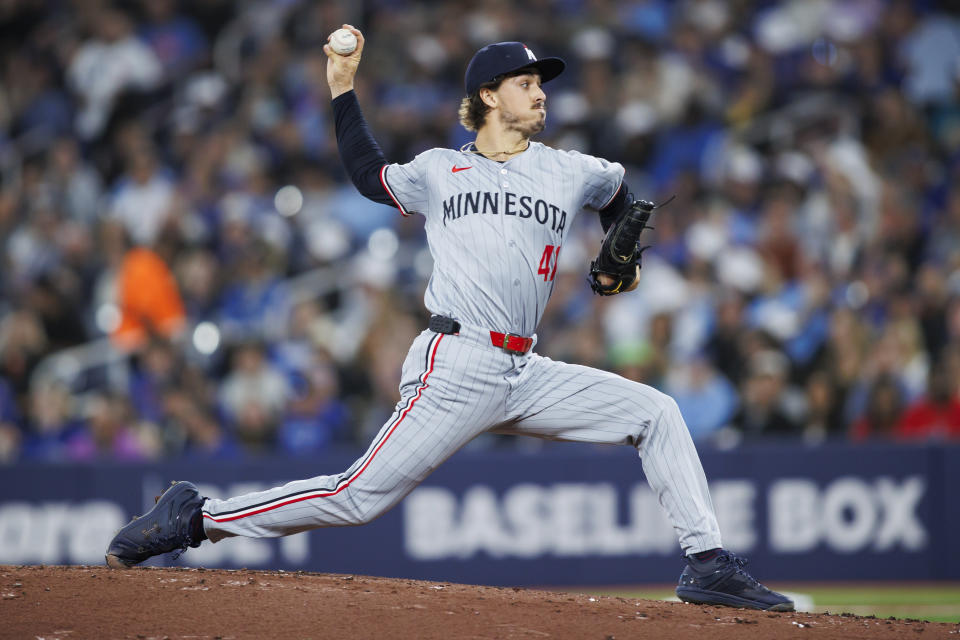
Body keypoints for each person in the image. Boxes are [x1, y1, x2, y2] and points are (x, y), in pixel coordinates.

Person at [105, 26, 793, 612]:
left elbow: (619, 195)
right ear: (489, 96)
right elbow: (367, 174)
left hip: (526, 368)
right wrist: (342, 86)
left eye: (542, 82)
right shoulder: (440, 171)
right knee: (356, 497)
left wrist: (621, 262)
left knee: (656, 413)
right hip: (455, 363)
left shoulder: (569, 169)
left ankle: (706, 561)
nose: (541, 91)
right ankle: (195, 518)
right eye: (526, 82)